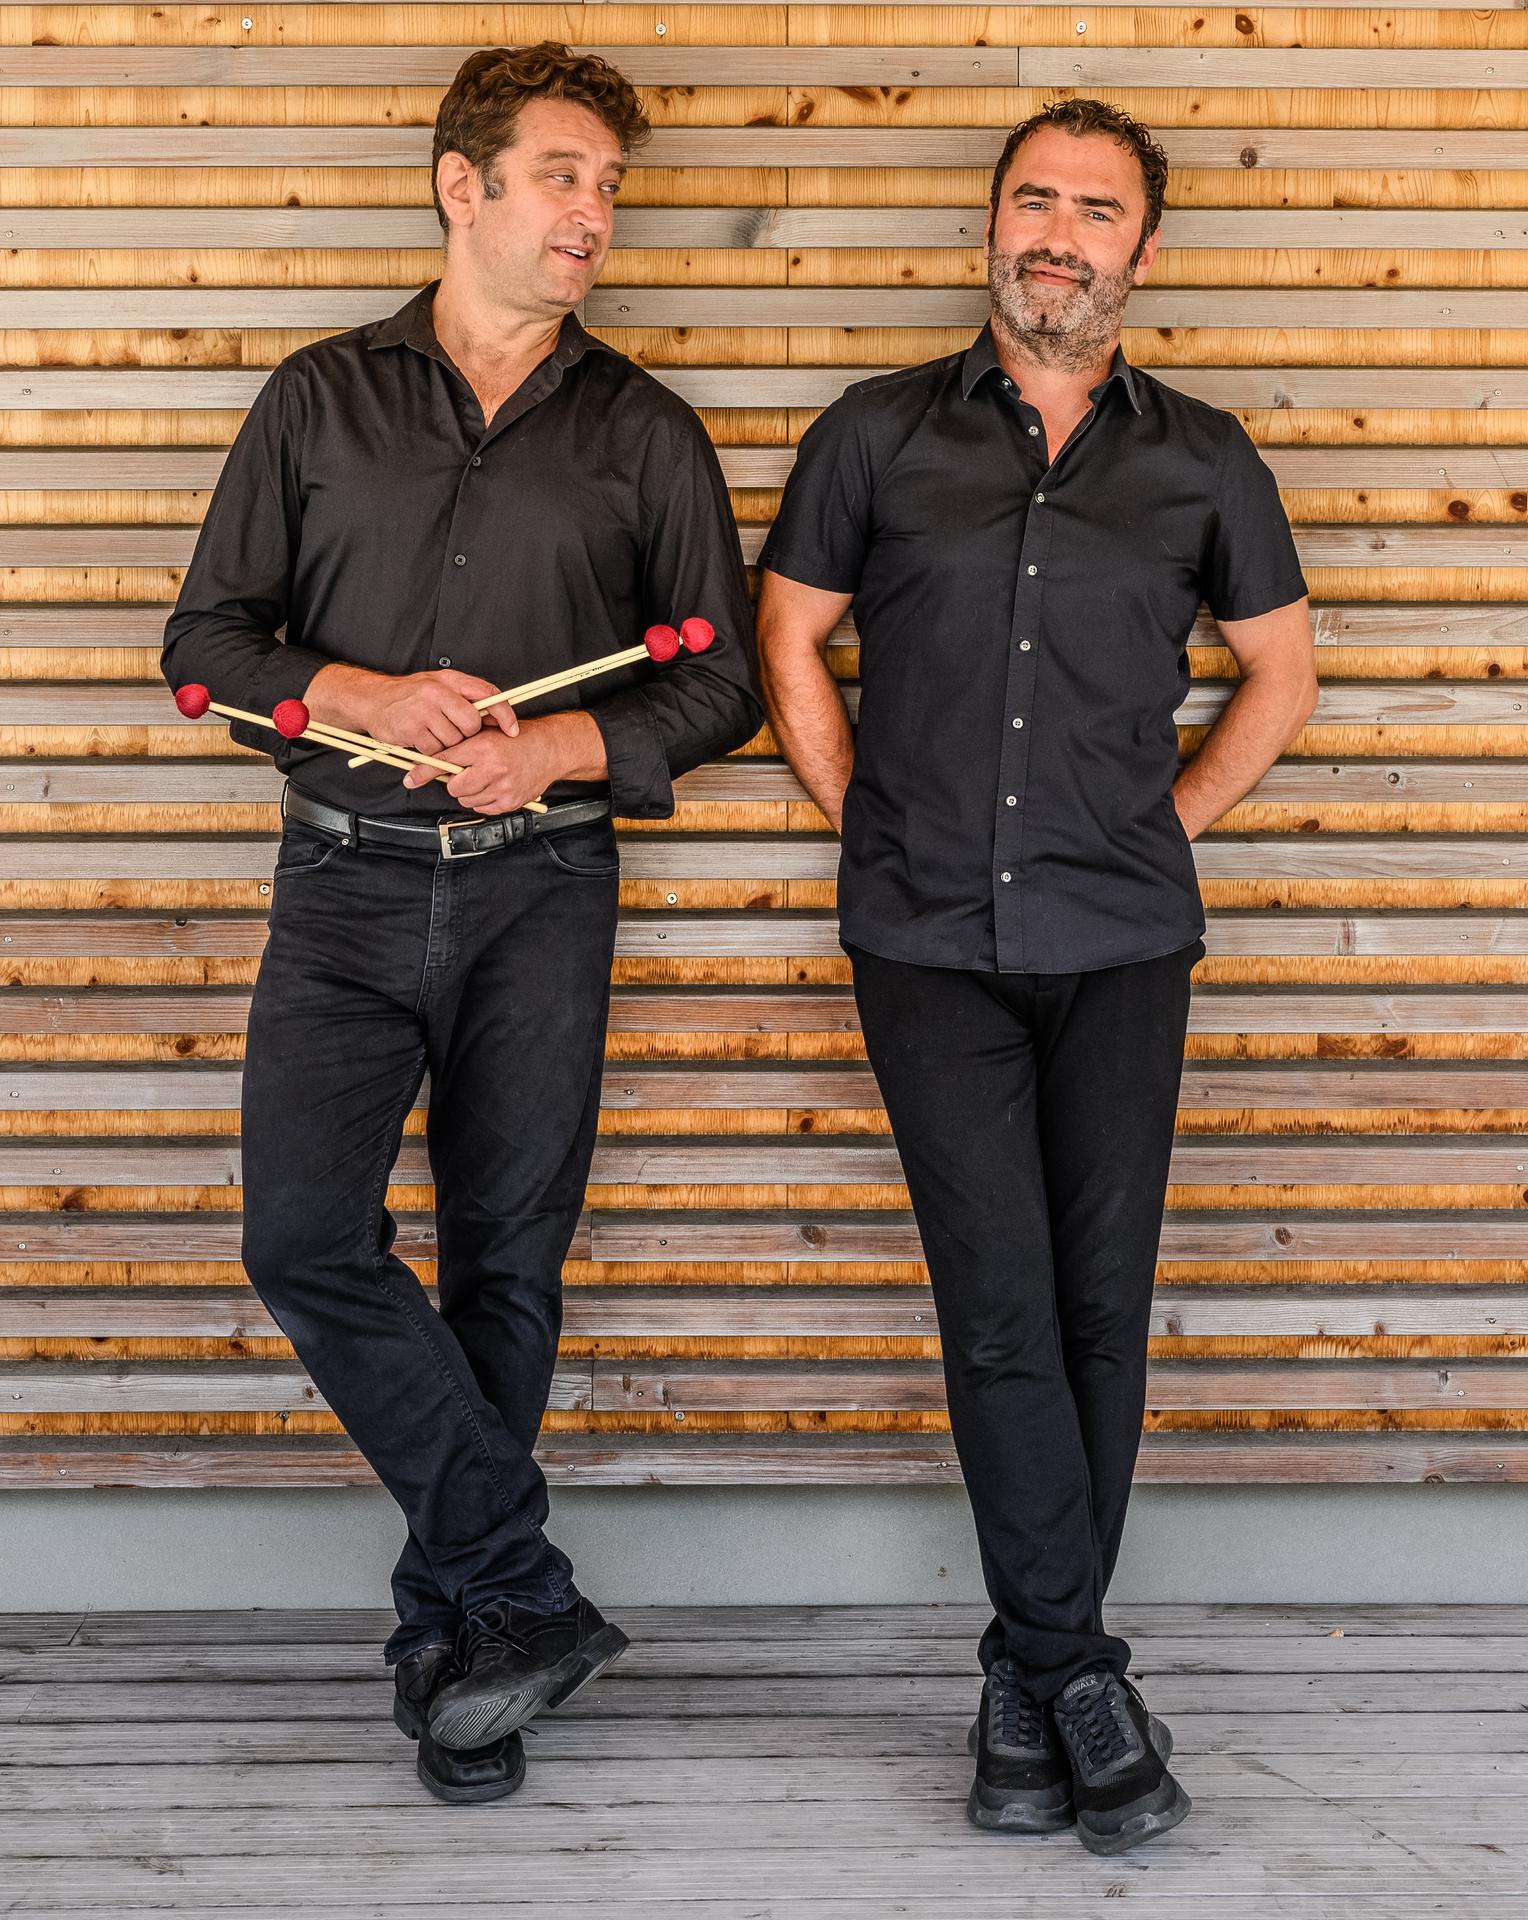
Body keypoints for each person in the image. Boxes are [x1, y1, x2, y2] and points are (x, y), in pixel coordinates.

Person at [162, 41, 761, 1805]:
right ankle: (521, 1583)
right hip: (341, 880)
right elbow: (204, 644)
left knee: (508, 1265)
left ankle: (458, 1648)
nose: (593, 215)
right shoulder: (317, 398)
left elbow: (718, 680)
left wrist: (558, 746)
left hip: (544, 888)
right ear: (462, 185)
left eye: (610, 187)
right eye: (564, 175)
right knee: (303, 1239)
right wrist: (357, 690)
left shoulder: (646, 429)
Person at [756, 97, 1317, 1856]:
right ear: (991, 226)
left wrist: (1167, 825)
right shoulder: (873, 433)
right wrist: (870, 820)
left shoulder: (1205, 458)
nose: (1057, 233)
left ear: (1142, 248)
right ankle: (1076, 1678)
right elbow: (787, 636)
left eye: (1095, 209)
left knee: (1098, 1314)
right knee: (999, 1309)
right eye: (1033, 200)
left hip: (1125, 943)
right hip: (926, 945)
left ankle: (1031, 1688)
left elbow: (1283, 673)